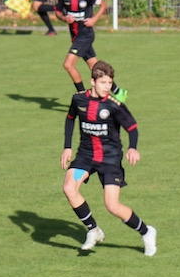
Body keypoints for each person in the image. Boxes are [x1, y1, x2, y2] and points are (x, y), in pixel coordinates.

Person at [61, 61, 156, 256]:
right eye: (103, 82)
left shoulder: (114, 105)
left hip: (109, 159)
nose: (107, 87)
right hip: (86, 156)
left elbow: (132, 128)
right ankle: (93, 230)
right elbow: (70, 119)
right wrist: (67, 147)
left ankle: (146, 232)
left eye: (110, 83)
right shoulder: (79, 100)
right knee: (69, 188)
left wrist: (133, 148)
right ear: (92, 81)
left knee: (112, 206)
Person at [54, 0, 126, 101]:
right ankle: (118, 91)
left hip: (86, 35)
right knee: (94, 67)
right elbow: (57, 12)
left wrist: (94, 19)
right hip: (76, 37)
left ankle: (83, 96)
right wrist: (64, 18)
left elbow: (103, 5)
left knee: (68, 65)